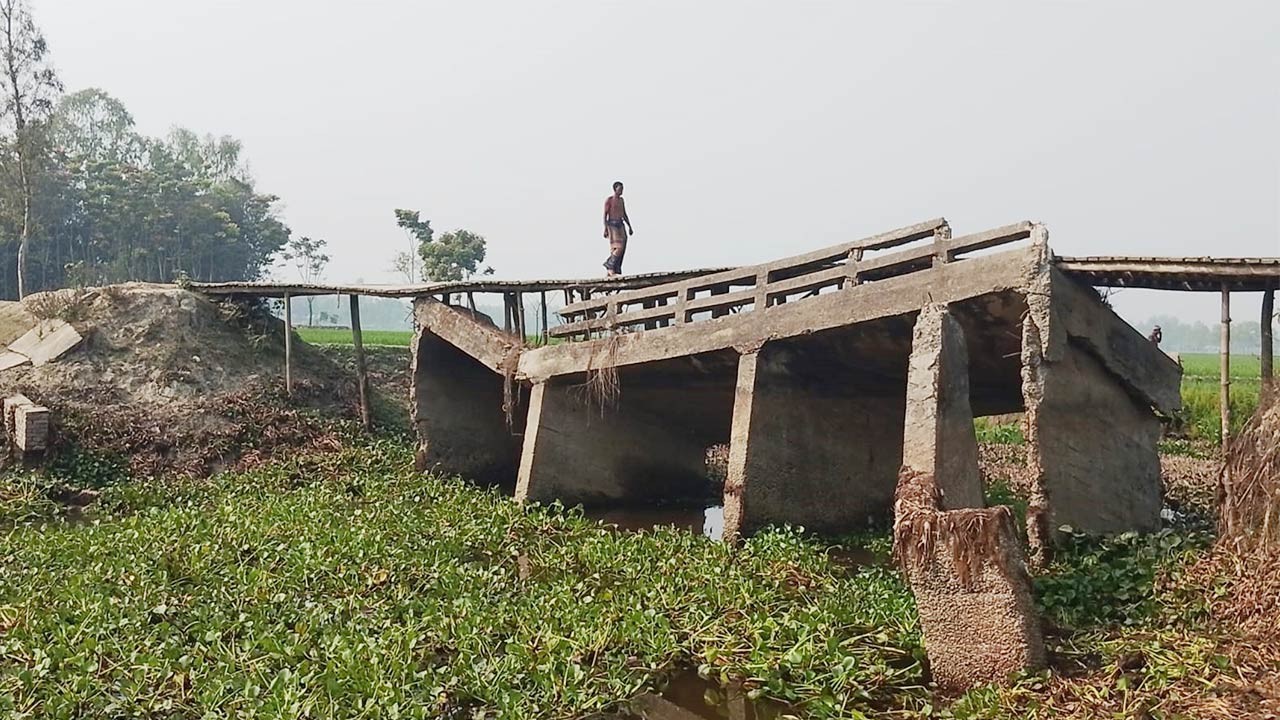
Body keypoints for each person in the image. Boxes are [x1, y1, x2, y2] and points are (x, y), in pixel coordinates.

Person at [602, 181, 633, 276]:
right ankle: (610, 265)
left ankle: (615, 269)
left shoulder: (621, 200)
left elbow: (624, 213)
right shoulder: (610, 200)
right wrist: (605, 228)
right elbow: (605, 215)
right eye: (620, 189)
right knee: (617, 247)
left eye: (622, 189)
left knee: (623, 244)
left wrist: (629, 226)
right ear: (615, 189)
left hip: (620, 224)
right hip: (612, 224)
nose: (621, 191)